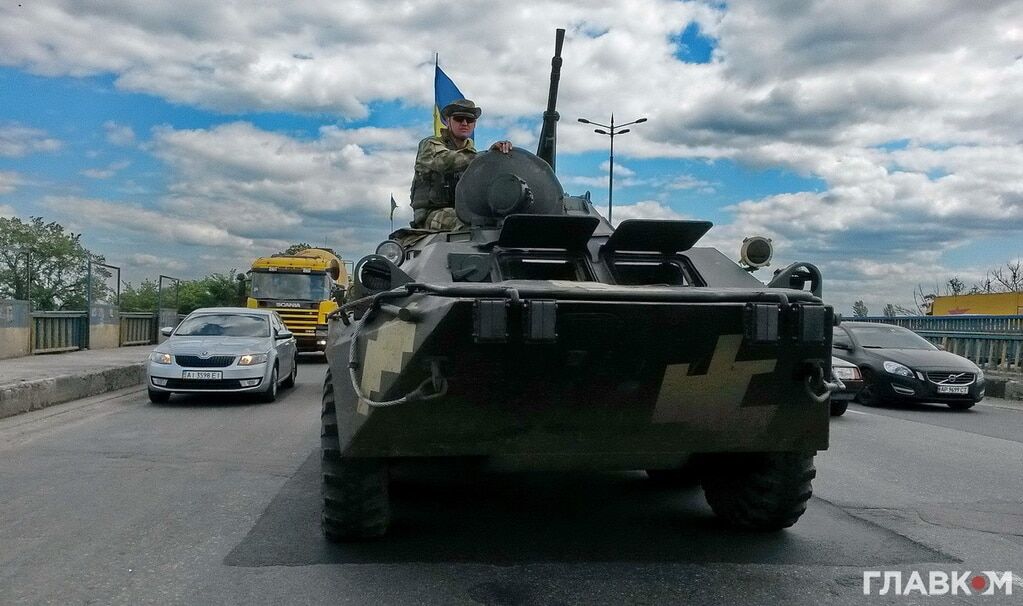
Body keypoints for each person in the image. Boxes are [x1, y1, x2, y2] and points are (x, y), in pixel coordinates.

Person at [410, 99, 513, 230]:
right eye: (459, 119)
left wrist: (501, 157)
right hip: (431, 214)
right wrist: (486, 156)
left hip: (465, 212)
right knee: (467, 224)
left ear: (474, 124)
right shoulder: (429, 145)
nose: (464, 123)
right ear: (448, 121)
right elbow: (444, 161)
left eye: (469, 120)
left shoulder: (475, 156)